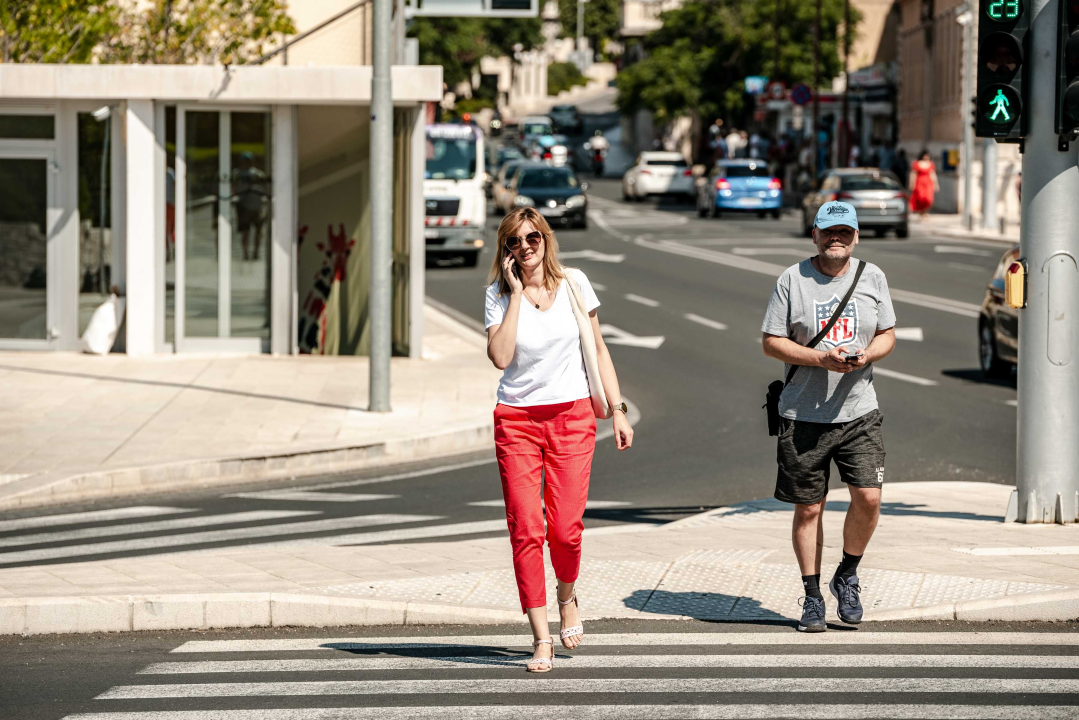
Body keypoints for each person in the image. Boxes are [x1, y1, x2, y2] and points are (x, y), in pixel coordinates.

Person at [484, 207, 634, 672]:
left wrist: (619, 409)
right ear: (505, 251)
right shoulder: (495, 295)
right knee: (526, 529)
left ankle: (567, 595)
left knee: (565, 529)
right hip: (517, 420)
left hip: (571, 416)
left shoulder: (574, 283)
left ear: (546, 239)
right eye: (514, 242)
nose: (525, 248)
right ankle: (541, 636)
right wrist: (512, 296)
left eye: (532, 239)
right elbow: (500, 357)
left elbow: (599, 348)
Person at [761, 200, 897, 633]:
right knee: (808, 509)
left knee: (869, 497)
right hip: (803, 415)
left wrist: (864, 355)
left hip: (860, 411)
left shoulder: (872, 276)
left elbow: (888, 334)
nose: (835, 238)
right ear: (814, 235)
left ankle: (848, 573)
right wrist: (820, 358)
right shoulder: (792, 279)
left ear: (855, 237)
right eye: (827, 232)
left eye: (844, 232)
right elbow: (771, 342)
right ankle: (813, 596)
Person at [909, 150, 939, 220]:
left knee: (928, 198)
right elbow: (913, 174)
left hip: (928, 183)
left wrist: (936, 184)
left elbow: (932, 174)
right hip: (919, 183)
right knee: (920, 198)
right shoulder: (916, 163)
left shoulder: (931, 164)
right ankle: (921, 212)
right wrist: (912, 183)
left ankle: (925, 211)